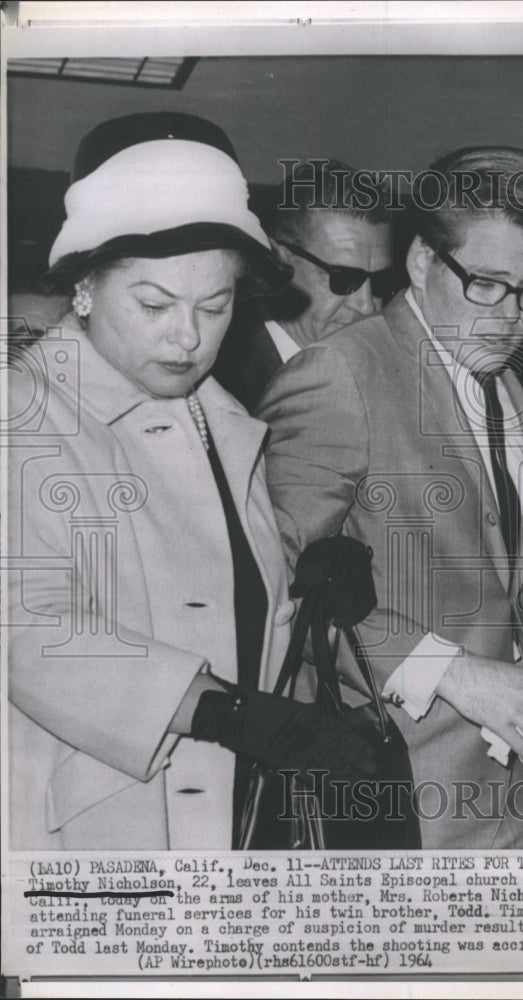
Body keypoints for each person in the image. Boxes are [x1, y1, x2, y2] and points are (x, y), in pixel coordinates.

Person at [7, 112, 376, 851]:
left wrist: (307, 580)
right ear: (83, 288)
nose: (187, 336)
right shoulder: (23, 411)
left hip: (230, 814)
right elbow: (27, 628)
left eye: (215, 306)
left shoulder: (223, 420)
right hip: (91, 826)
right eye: (153, 305)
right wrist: (221, 712)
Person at [257, 146, 523, 850]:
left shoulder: (500, 383)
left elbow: (489, 593)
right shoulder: (341, 372)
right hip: (396, 801)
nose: (511, 316)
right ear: (422, 264)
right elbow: (278, 584)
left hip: (515, 799)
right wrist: (457, 675)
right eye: (487, 284)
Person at [215, 160, 392, 411]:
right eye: (343, 279)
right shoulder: (223, 387)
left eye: (381, 282)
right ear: (279, 261)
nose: (367, 306)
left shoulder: (386, 377)